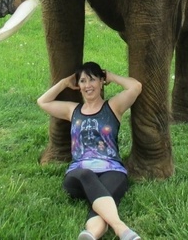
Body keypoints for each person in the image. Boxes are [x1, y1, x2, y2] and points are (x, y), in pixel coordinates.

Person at [37, 61, 143, 240]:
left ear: (101, 82)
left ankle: (91, 235)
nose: (88, 85)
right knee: (88, 177)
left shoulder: (113, 107)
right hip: (78, 173)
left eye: (93, 79)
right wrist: (64, 82)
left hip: (112, 169)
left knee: (101, 195)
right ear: (78, 85)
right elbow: (42, 101)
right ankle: (122, 229)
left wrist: (111, 76)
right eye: (83, 81)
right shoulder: (72, 110)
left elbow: (136, 86)